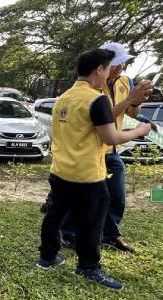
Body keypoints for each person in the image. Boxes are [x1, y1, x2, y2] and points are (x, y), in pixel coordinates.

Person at [37, 48, 151, 289]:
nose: (111, 73)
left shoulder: (64, 97)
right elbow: (111, 138)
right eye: (109, 68)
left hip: (60, 170)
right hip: (88, 174)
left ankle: (47, 257)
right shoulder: (96, 99)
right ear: (99, 69)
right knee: (91, 222)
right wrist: (140, 131)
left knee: (54, 214)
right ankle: (88, 267)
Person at [58, 42, 154, 252]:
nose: (121, 68)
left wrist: (136, 101)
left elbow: (132, 114)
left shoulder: (125, 81)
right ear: (102, 66)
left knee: (116, 197)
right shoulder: (92, 85)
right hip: (93, 149)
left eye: (122, 63)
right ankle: (69, 234)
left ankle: (110, 235)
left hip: (111, 150)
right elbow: (103, 117)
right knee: (82, 195)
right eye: (116, 64)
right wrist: (132, 105)